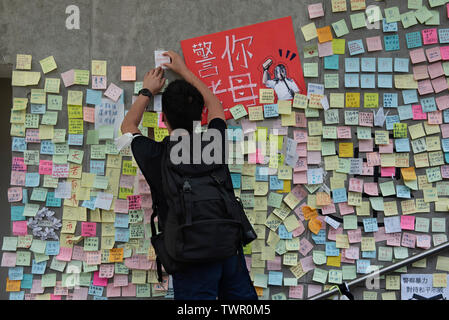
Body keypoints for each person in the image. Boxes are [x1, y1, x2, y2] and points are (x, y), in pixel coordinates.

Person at [120, 51, 258, 300]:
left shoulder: (156, 155)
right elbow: (215, 105)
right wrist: (184, 71)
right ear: (200, 117)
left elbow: (128, 127)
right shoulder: (213, 142)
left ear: (163, 119)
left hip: (189, 255)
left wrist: (147, 90)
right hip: (227, 248)